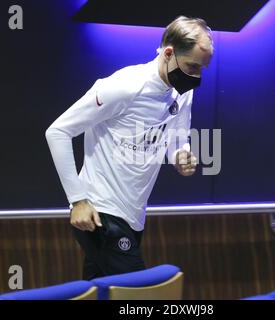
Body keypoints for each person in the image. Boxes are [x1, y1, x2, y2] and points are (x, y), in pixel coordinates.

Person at [45, 16, 214, 280]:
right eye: (192, 66)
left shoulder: (183, 92)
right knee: (141, 292)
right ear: (168, 53)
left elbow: (177, 139)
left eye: (202, 68)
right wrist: (77, 200)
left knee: (99, 292)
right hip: (99, 214)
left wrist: (181, 155)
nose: (197, 76)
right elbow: (58, 132)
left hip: (134, 216)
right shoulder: (123, 86)